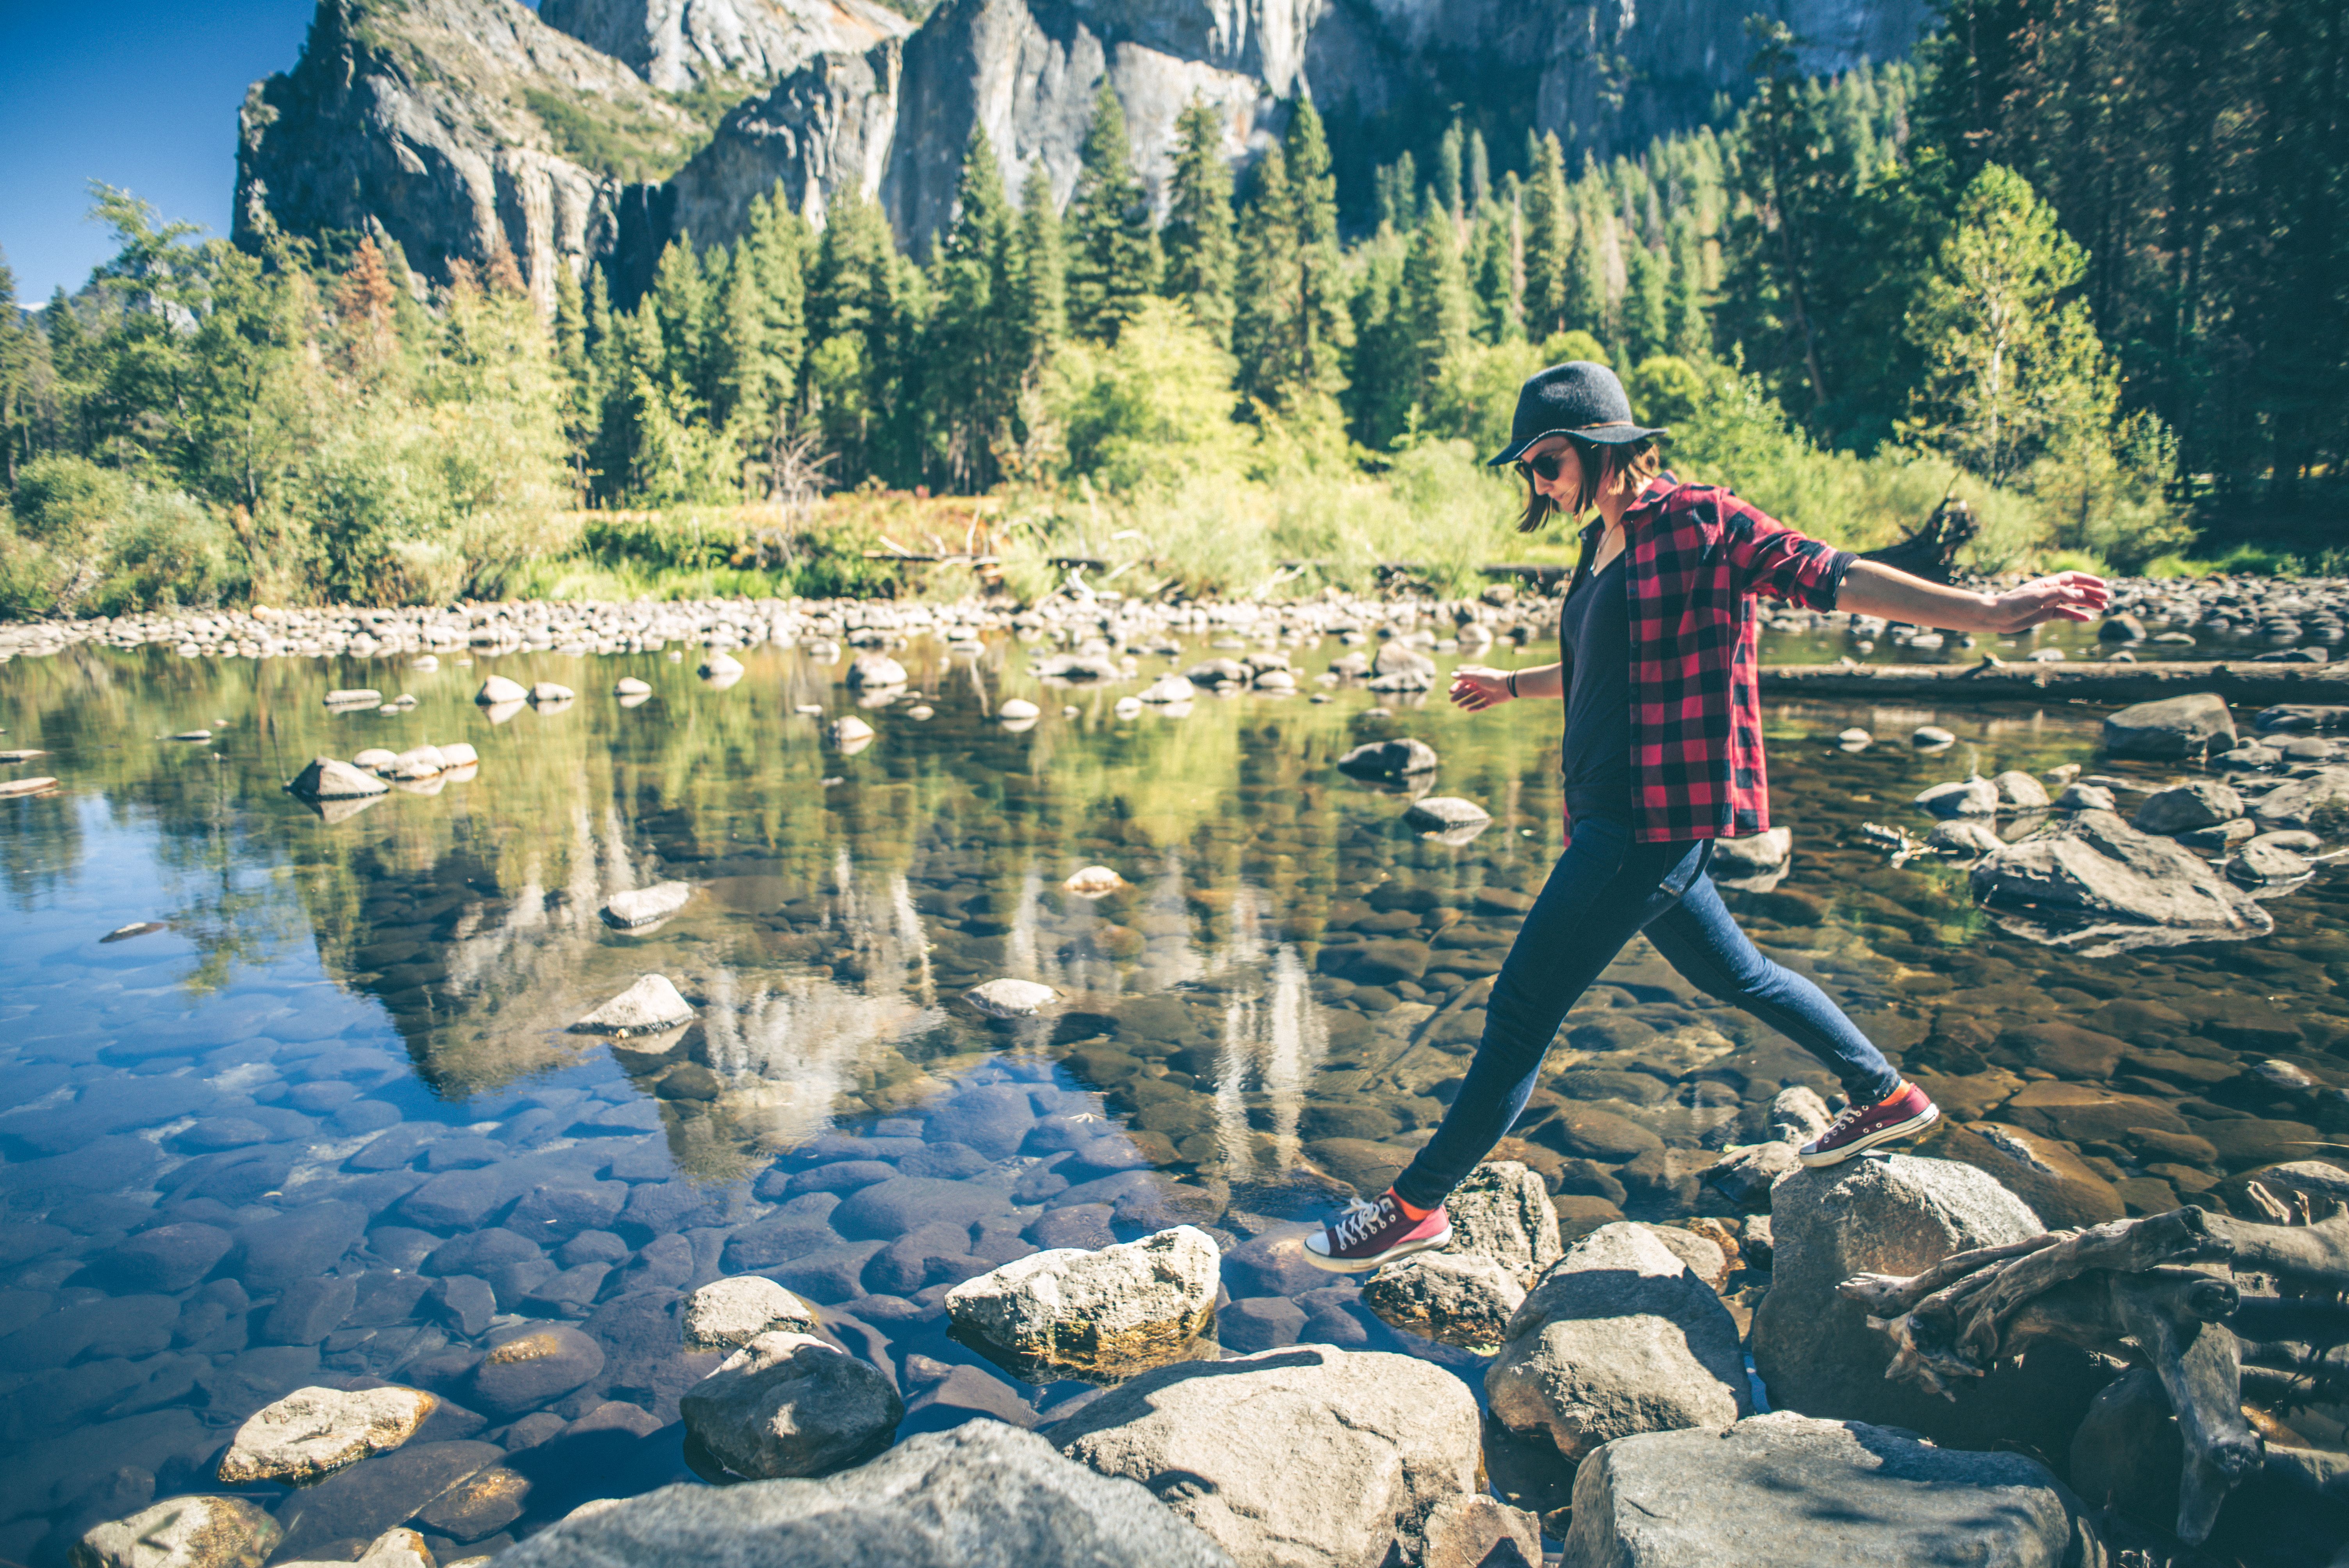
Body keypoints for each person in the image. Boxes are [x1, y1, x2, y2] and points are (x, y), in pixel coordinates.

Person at [1305, 361, 2109, 1271]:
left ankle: (1414, 1204)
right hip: (1622, 819)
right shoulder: (1601, 543)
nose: (1536, 482)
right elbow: (1604, 667)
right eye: (1526, 468)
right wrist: (1513, 683)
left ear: (1602, 445)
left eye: (1545, 460)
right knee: (1742, 975)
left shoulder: (1701, 521)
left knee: (1520, 1007)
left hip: (1639, 824)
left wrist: (1988, 610)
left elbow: (1830, 575)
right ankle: (1882, 1093)